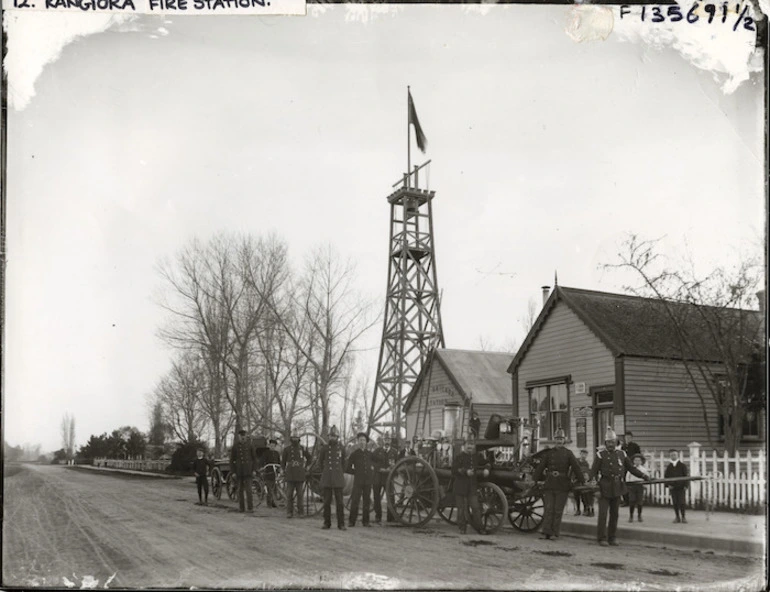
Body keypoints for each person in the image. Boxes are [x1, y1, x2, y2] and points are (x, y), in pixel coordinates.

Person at [590, 426, 650, 546]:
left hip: (617, 487)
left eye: (612, 442)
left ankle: (612, 538)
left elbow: (632, 468)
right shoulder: (600, 455)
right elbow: (593, 473)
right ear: (605, 443)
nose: (610, 444)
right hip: (604, 488)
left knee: (615, 514)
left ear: (616, 442)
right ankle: (601, 538)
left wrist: (644, 476)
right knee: (603, 514)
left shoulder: (622, 454)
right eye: (608, 442)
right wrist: (596, 489)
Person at [532, 429, 584, 540]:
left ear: (564, 440)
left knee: (558, 510)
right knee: (549, 508)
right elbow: (541, 467)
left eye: (561, 439)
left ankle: (555, 533)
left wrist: (583, 480)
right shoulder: (549, 453)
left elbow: (576, 467)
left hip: (562, 484)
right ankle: (547, 532)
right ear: (554, 440)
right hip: (550, 483)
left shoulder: (568, 453)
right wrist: (534, 479)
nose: (559, 441)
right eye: (557, 439)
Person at [451, 439, 489, 535]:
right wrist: (465, 472)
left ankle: (480, 528)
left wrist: (487, 469)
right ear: (464, 445)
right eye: (468, 445)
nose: (470, 447)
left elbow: (487, 463)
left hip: (472, 487)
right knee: (461, 509)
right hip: (460, 486)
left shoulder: (477, 456)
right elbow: (454, 470)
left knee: (476, 508)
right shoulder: (459, 457)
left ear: (474, 447)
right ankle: (462, 528)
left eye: (472, 445)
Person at [346, 432, 376, 527]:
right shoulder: (354, 454)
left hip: (367, 481)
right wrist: (356, 472)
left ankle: (365, 521)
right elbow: (347, 468)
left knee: (366, 501)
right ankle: (352, 521)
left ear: (366, 442)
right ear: (357, 442)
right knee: (355, 500)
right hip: (358, 481)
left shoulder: (370, 454)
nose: (362, 442)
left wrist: (372, 472)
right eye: (360, 440)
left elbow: (376, 464)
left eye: (363, 440)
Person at [320, 425, 347, 530]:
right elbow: (320, 462)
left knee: (340, 502)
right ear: (329, 437)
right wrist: (326, 471)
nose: (332, 438)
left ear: (337, 437)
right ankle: (327, 523)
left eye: (334, 436)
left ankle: (341, 524)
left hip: (338, 478)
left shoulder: (342, 448)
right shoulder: (325, 448)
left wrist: (340, 472)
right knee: (327, 502)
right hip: (327, 477)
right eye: (331, 436)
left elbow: (344, 462)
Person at [282, 430, 312, 518]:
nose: (295, 439)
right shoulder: (287, 449)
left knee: (300, 495)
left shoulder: (303, 449)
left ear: (299, 439)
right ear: (291, 439)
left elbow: (309, 458)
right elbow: (283, 462)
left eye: (296, 438)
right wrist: (283, 470)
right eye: (293, 438)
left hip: (299, 474)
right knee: (289, 494)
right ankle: (289, 512)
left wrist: (306, 467)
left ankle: (300, 512)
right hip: (290, 474)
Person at [372, 432, 400, 523]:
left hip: (389, 477)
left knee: (390, 497)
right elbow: (372, 462)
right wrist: (379, 468)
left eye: (388, 440)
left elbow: (398, 464)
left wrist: (392, 470)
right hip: (378, 477)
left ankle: (390, 517)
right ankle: (378, 516)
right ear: (383, 441)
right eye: (385, 440)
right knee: (377, 497)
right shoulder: (377, 451)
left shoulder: (395, 452)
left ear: (391, 441)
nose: (387, 441)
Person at [230, 428, 257, 513]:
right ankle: (241, 508)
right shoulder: (235, 446)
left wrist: (254, 470)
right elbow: (231, 460)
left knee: (249, 490)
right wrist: (233, 472)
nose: (242, 437)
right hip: (239, 471)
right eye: (241, 436)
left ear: (246, 436)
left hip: (248, 470)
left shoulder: (250, 445)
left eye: (244, 436)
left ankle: (250, 508)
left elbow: (254, 459)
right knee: (240, 490)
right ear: (238, 437)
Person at [664, 449, 689, 523]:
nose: (673, 456)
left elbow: (686, 476)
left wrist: (686, 485)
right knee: (675, 502)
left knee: (682, 502)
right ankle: (677, 517)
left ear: (677, 455)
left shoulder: (682, 465)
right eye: (671, 455)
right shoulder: (669, 467)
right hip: (673, 487)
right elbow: (666, 477)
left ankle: (683, 517)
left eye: (674, 454)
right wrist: (668, 485)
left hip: (681, 487)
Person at [626, 453, 648, 522]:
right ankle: (631, 516)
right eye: (635, 460)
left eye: (639, 460)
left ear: (641, 461)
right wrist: (628, 485)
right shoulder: (631, 469)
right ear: (633, 461)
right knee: (632, 501)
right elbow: (627, 477)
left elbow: (646, 478)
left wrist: (645, 486)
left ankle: (639, 516)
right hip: (632, 486)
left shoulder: (643, 470)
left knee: (640, 502)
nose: (637, 462)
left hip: (640, 486)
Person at [261, 438, 282, 508]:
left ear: (275, 446)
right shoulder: (265, 453)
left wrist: (279, 469)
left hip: (275, 473)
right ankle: (269, 503)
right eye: (271, 445)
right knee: (269, 488)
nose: (272, 447)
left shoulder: (277, 453)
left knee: (275, 488)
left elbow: (279, 462)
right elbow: (262, 461)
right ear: (269, 445)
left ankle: (274, 502)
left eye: (274, 445)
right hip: (268, 472)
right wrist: (263, 467)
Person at [573, 449, 593, 517]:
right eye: (583, 454)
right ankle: (578, 510)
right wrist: (572, 478)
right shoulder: (576, 461)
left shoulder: (586, 463)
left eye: (585, 454)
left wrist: (585, 479)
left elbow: (586, 472)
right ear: (580, 454)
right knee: (576, 496)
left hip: (582, 481)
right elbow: (572, 470)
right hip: (575, 480)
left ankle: (585, 509)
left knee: (584, 496)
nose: (584, 455)